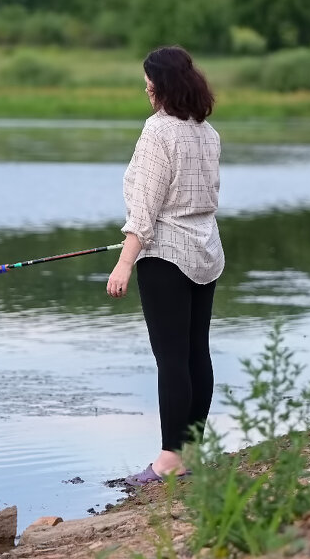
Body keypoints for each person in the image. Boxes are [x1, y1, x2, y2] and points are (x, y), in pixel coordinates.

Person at [106, 46, 225, 485]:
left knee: (171, 358)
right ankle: (190, 450)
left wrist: (124, 262)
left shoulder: (158, 131)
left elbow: (146, 207)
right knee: (196, 352)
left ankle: (169, 460)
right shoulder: (206, 131)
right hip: (206, 249)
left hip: (167, 255)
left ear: (162, 85)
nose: (145, 88)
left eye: (148, 81)